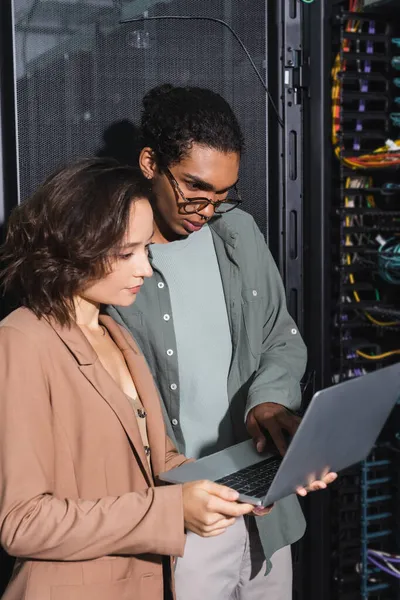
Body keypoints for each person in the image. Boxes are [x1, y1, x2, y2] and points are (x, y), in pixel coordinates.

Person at [106, 85, 337, 600]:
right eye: (194, 188)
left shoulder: (239, 233)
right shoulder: (107, 258)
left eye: (222, 193)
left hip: (263, 514)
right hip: (179, 523)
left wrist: (268, 402)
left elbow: (280, 334)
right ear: (149, 162)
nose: (207, 209)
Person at [0, 158, 262, 600]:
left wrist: (249, 484)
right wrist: (170, 510)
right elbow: (22, 523)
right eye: (127, 253)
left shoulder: (115, 333)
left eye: (146, 250)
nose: (144, 268)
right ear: (77, 243)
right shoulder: (21, 340)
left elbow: (157, 463)